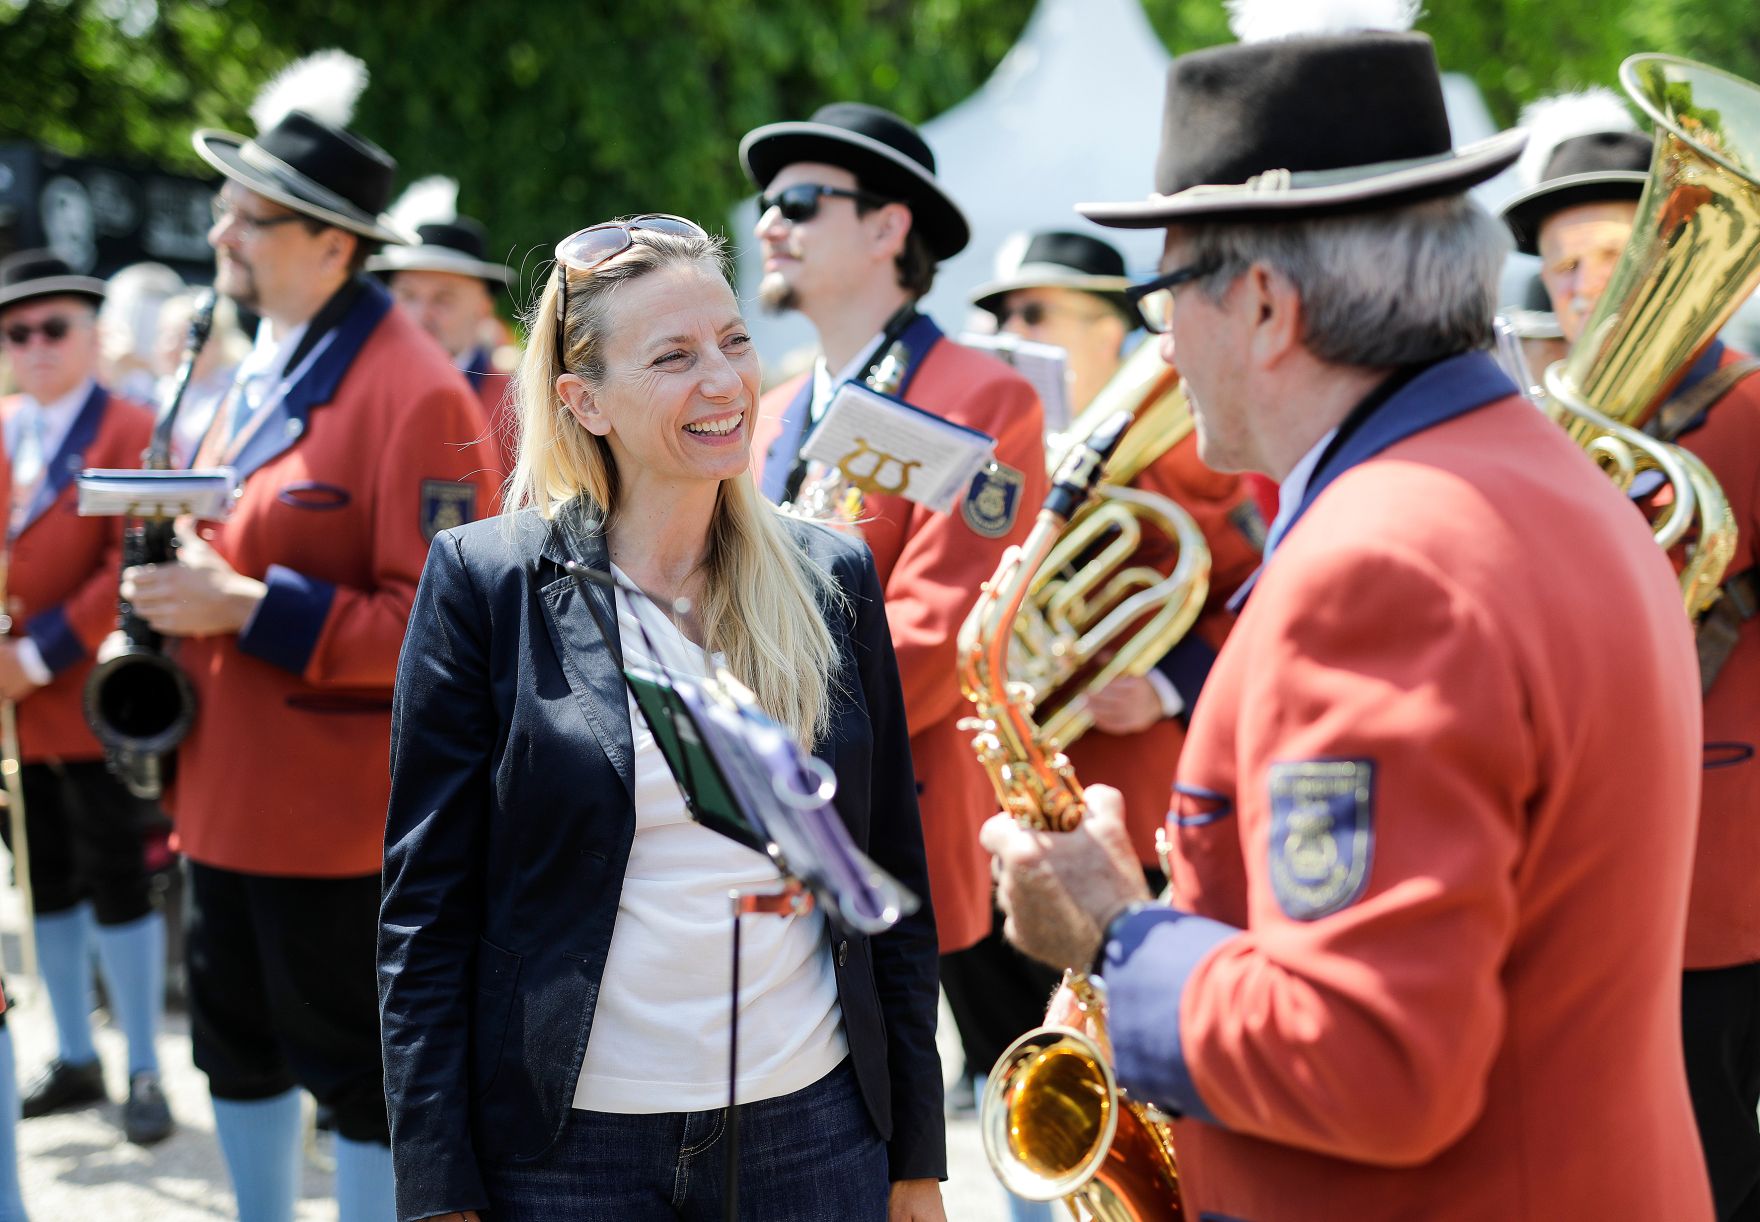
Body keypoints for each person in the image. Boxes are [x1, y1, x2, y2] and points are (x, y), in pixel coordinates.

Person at [982, 23, 1714, 1220]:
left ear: (1264, 304)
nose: (1158, 341)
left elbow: (1370, 1059)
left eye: (1165, 291)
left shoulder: (1380, 560)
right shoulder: (1535, 471)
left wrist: (1114, 937)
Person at [379, 215, 946, 1222]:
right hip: (569, 1148)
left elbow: (885, 871)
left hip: (813, 1131)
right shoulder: (484, 580)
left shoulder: (831, 575)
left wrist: (916, 1161)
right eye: (674, 356)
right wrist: (436, 1190)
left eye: (732, 342)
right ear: (583, 400)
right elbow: (424, 916)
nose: (724, 382)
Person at [121, 51, 496, 1222]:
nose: (221, 233)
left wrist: (244, 606)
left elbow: (438, 631)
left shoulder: (416, 387)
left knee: (361, 1089)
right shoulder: (250, 363)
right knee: (232, 1051)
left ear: (334, 244)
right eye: (224, 211)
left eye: (250, 216)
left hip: (335, 822)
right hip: (222, 793)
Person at [1504, 104, 1760, 1222]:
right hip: (1595, 852)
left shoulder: (1747, 410)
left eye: (1609, 252)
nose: (1576, 282)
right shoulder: (1542, 424)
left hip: (1725, 855)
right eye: (1559, 264)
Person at [742, 102, 1047, 962]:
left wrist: (749, 719)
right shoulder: (772, 413)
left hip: (889, 818)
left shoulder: (983, 397)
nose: (770, 221)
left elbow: (944, 629)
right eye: (768, 200)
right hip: (772, 802)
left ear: (887, 228)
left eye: (801, 201)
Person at [0, 249, 174, 1146]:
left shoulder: (131, 425)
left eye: (53, 327)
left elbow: (130, 562)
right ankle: (73, 1053)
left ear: (91, 333)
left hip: (92, 694)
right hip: (16, 709)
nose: (34, 345)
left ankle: (142, 1064)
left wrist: (39, 652)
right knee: (45, 885)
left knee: (116, 880)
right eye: (16, 331)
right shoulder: (2, 428)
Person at [367, 177, 518, 476]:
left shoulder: (517, 412)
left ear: (483, 309)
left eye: (443, 299)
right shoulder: (364, 392)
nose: (421, 315)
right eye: (407, 296)